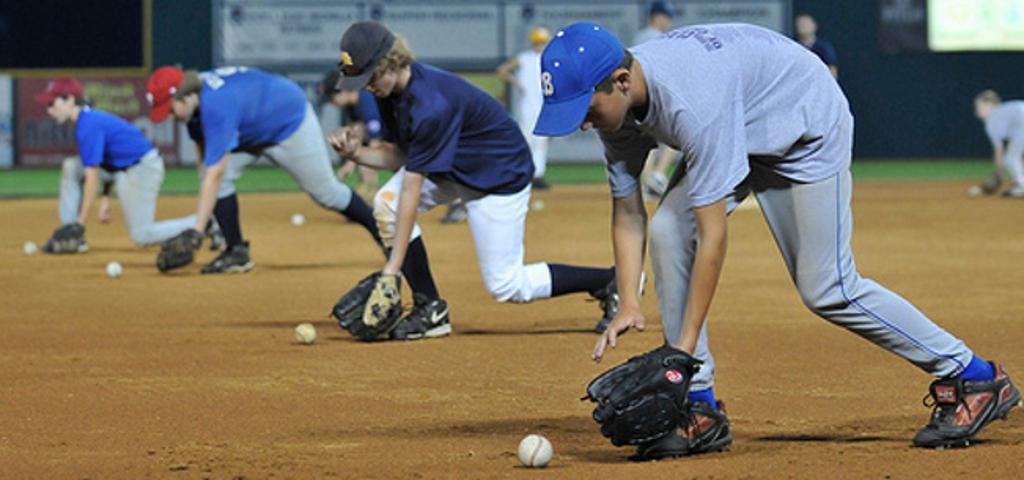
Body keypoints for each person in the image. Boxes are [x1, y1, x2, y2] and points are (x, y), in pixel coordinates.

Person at [535, 22, 1019, 459]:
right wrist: (628, 302)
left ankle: (973, 376)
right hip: (743, 119)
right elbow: (627, 210)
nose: (581, 122)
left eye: (585, 108)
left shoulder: (690, 101)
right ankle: (699, 407)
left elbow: (713, 237)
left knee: (828, 287)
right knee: (666, 229)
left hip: (803, 123)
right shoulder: (616, 100)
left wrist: (679, 353)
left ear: (622, 82)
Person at [329, 21, 621, 340]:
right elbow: (404, 156)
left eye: (369, 75)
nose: (366, 86)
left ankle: (607, 281)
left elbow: (413, 185)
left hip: (498, 177)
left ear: (392, 62)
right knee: (388, 203)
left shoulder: (431, 103)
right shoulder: (390, 93)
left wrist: (391, 269)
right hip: (455, 169)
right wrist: (356, 153)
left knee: (507, 285)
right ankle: (431, 310)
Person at [145, 65, 383, 273]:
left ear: (184, 98)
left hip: (289, 121)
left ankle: (383, 233)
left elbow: (214, 173)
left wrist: (197, 230)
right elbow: (206, 164)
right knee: (218, 178)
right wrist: (206, 218)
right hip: (252, 129)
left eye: (169, 110)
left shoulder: (215, 106)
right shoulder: (194, 103)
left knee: (327, 194)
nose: (169, 116)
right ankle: (236, 252)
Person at [36, 78, 205, 254]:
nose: (49, 110)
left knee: (142, 235)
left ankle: (203, 222)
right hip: (125, 169)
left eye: (51, 103)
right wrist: (106, 198)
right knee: (72, 166)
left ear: (69, 99)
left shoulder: (88, 125)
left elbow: (92, 178)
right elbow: (110, 163)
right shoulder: (88, 119)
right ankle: (70, 237)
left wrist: (81, 224)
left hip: (143, 168)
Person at [633, 1, 680, 200]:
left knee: (647, 140)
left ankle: (648, 183)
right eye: (666, 17)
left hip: (640, 95)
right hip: (658, 93)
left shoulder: (639, 37)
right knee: (676, 135)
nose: (667, 21)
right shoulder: (662, 38)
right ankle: (658, 176)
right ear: (658, 17)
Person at [497, 26, 553, 191]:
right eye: (537, 42)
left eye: (542, 42)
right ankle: (524, 175)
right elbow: (502, 70)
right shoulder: (524, 58)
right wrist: (518, 84)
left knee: (541, 142)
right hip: (528, 107)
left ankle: (538, 175)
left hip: (544, 106)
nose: (539, 45)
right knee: (527, 141)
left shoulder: (549, 59)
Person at [319, 69, 381, 201]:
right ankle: (368, 200)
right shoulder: (352, 106)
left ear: (343, 91)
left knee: (368, 161)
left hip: (406, 137)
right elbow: (357, 136)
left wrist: (363, 167)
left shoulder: (367, 99)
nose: (331, 102)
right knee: (363, 160)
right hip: (389, 137)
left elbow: (376, 143)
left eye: (332, 97)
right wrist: (349, 164)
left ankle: (370, 198)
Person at [973, 90, 1024, 198]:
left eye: (980, 106)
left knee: (1010, 159)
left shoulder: (992, 121)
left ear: (991, 106)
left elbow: (999, 150)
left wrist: (999, 172)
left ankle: (1021, 185)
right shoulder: (1004, 112)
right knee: (1015, 157)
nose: (977, 110)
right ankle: (1019, 182)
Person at [794, 13, 838, 78]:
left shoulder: (823, 47)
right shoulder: (793, 46)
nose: (802, 26)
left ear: (814, 26)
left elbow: (831, 67)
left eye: (806, 24)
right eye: (799, 24)